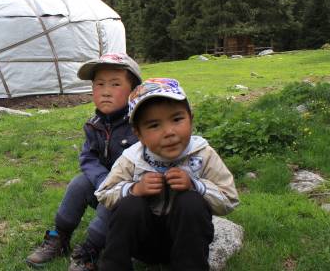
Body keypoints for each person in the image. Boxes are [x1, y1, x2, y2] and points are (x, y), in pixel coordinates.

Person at [95, 78, 239, 271]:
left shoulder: (203, 154)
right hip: (143, 243)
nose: (169, 132)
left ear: (191, 119)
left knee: (191, 201)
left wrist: (195, 185)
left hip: (188, 243)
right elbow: (104, 194)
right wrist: (135, 189)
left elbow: (229, 199)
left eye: (177, 119)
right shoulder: (132, 159)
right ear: (139, 134)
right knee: (131, 203)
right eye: (154, 125)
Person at [26, 53, 143, 271]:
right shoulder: (94, 123)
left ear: (134, 91)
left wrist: (113, 186)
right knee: (79, 184)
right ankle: (60, 236)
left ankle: (91, 250)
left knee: (114, 201)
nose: (106, 91)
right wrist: (102, 180)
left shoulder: (140, 124)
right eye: (99, 84)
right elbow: (87, 157)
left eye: (115, 84)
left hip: (131, 193)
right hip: (104, 184)